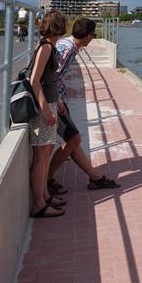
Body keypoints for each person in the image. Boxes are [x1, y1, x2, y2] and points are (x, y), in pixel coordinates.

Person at [47, 18, 119, 194]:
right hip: (53, 100)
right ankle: (46, 179)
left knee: (73, 140)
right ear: (88, 36)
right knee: (74, 139)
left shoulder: (69, 45)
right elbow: (49, 76)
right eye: (93, 35)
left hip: (57, 98)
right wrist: (57, 100)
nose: (93, 38)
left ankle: (95, 177)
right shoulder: (67, 48)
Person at [28, 9, 68, 218]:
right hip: (43, 108)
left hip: (51, 103)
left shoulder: (49, 46)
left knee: (46, 153)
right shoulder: (45, 48)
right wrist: (45, 109)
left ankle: (44, 195)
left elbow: (47, 80)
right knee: (41, 157)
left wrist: (57, 102)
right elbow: (35, 80)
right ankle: (38, 204)